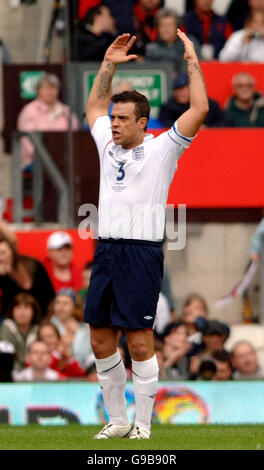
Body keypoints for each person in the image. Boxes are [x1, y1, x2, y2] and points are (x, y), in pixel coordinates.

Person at [85, 31, 208, 439]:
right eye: (113, 117)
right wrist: (108, 63)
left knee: (139, 342)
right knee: (100, 337)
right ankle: (118, 419)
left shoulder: (163, 149)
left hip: (140, 252)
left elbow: (199, 107)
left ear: (142, 122)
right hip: (106, 250)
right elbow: (94, 106)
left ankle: (143, 425)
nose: (113, 123)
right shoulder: (106, 143)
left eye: (122, 119)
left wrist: (191, 60)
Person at [17, 73, 79, 170]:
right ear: (38, 91)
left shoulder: (66, 111)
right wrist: (43, 157)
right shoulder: (29, 111)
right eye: (46, 88)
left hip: (64, 160)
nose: (50, 91)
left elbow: (75, 136)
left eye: (53, 88)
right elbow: (26, 141)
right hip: (36, 161)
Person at [0, 236, 55, 320]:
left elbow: (50, 296)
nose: (1, 258)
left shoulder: (34, 265)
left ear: (13, 252)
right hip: (11, 321)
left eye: (3, 253)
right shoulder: (3, 277)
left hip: (42, 318)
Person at [159, 73, 232, 128]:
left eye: (182, 88)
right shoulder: (168, 107)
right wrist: (190, 128)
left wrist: (207, 128)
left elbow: (225, 123)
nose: (179, 92)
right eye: (176, 89)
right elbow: (165, 124)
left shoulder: (209, 105)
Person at [145, 9, 201, 73]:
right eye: (162, 25)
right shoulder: (151, 49)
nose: (166, 29)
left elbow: (197, 67)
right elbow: (149, 73)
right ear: (157, 28)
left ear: (177, 27)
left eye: (170, 25)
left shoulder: (188, 43)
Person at [0, 293, 41, 371]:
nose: (22, 312)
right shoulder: (7, 326)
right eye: (18, 308)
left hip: (36, 373)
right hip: (10, 374)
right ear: (12, 311)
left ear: (34, 311)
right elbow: (6, 355)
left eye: (26, 308)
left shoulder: (39, 329)